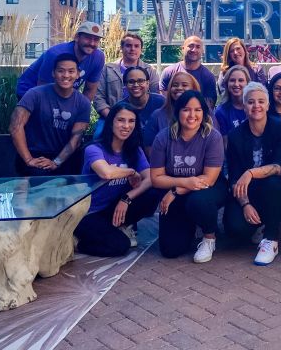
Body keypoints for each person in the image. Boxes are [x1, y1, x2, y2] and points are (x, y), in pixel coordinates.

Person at [74, 103, 161, 256]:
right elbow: (106, 173)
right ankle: (77, 243)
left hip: (113, 207)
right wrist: (131, 172)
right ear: (111, 122)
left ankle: (121, 225)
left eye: (131, 121)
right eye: (121, 120)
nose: (126, 126)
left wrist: (126, 199)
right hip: (88, 213)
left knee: (152, 192)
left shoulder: (134, 150)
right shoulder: (94, 149)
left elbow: (150, 178)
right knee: (121, 246)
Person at [150, 90, 226, 262]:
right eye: (186, 109)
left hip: (208, 190)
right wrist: (184, 183)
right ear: (177, 112)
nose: (192, 115)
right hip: (179, 190)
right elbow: (156, 178)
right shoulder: (163, 138)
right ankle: (191, 223)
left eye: (198, 110)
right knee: (170, 249)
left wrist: (176, 190)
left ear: (204, 113)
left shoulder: (212, 137)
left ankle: (209, 237)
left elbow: (209, 178)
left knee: (198, 201)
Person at [225, 83, 281, 265]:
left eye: (261, 101)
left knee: (273, 183)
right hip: (250, 194)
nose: (256, 106)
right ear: (244, 105)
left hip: (278, 190)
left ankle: (271, 239)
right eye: (251, 102)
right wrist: (245, 204)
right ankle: (260, 224)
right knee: (234, 229)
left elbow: (279, 167)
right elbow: (233, 177)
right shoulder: (235, 136)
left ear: (268, 105)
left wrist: (250, 173)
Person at [10, 53, 92, 176]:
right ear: (53, 73)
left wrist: (56, 162)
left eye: (71, 71)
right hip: (34, 155)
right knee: (35, 182)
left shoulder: (83, 103)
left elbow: (76, 138)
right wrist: (28, 159)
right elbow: (15, 127)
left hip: (64, 157)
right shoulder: (34, 94)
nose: (66, 75)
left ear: (78, 74)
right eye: (61, 71)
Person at [16, 21, 105, 100]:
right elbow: (42, 88)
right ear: (77, 37)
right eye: (88, 38)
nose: (92, 43)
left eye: (96, 40)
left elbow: (90, 89)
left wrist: (81, 111)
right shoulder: (55, 54)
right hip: (30, 90)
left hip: (62, 92)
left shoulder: (98, 57)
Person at [93, 32, 160, 121]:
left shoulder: (150, 70)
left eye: (136, 46)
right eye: (128, 46)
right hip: (110, 116)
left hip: (144, 118)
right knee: (99, 135)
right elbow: (98, 97)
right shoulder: (107, 69)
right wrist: (112, 117)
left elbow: (155, 96)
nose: (132, 49)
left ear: (141, 49)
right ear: (121, 48)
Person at [143, 71, 200, 151]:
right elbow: (149, 148)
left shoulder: (206, 114)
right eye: (175, 85)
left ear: (193, 89)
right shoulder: (157, 116)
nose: (179, 88)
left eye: (184, 85)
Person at [159, 35, 218, 106]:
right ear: (183, 48)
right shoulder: (169, 72)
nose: (194, 50)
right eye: (191, 46)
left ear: (202, 51)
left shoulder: (208, 77)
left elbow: (208, 106)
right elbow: (164, 101)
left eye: (198, 47)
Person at [118, 66, 166, 131]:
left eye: (140, 81)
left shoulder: (161, 102)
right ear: (125, 85)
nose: (136, 85)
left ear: (147, 83)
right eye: (131, 82)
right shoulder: (120, 108)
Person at [214, 65, 251, 136]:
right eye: (232, 80)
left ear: (247, 84)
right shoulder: (221, 112)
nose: (236, 84)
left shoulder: (255, 107)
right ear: (227, 84)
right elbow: (225, 143)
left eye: (241, 80)